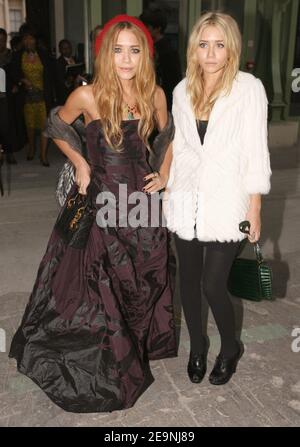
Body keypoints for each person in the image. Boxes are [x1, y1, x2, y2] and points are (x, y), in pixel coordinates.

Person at [9, 15, 177, 413]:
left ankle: (136, 341)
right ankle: (114, 352)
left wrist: (165, 172)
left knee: (147, 267)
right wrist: (80, 162)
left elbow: (169, 134)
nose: (126, 58)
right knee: (103, 277)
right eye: (118, 50)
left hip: (142, 199)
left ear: (145, 55)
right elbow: (55, 123)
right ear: (105, 53)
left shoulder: (154, 92)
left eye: (134, 50)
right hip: (102, 199)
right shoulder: (88, 95)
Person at [163, 12, 272, 385]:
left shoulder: (248, 88)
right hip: (186, 199)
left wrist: (254, 207)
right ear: (194, 49)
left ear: (231, 49)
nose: (211, 53)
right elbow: (178, 146)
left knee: (213, 284)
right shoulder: (181, 90)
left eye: (219, 44)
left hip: (229, 201)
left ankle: (229, 348)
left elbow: (257, 151)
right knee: (188, 284)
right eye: (204, 44)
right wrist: (167, 190)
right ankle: (197, 347)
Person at [10, 29, 54, 166]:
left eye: (31, 39)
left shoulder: (44, 55)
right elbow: (13, 73)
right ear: (23, 41)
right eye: (25, 39)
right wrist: (22, 80)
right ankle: (31, 148)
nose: (28, 41)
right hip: (27, 96)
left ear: (36, 41)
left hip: (42, 96)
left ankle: (43, 154)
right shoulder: (18, 56)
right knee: (29, 125)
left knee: (44, 125)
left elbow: (51, 75)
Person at [140, 8, 182, 110]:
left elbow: (172, 82)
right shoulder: (150, 47)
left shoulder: (167, 51)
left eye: (147, 27)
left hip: (163, 103)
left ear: (157, 29)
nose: (143, 30)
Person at [55, 39, 81, 105]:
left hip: (77, 92)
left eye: (69, 48)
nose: (67, 50)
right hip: (65, 96)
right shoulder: (58, 63)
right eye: (64, 48)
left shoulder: (76, 59)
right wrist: (67, 82)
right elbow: (58, 82)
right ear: (60, 50)